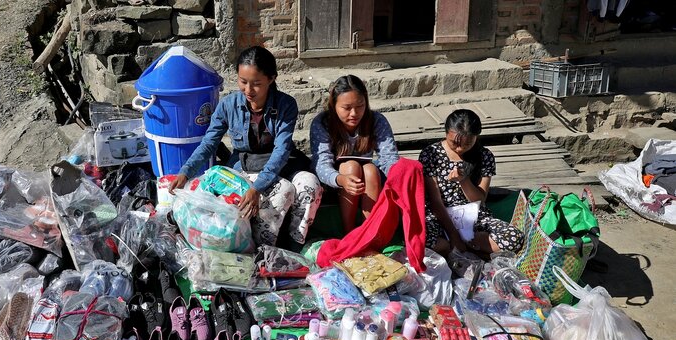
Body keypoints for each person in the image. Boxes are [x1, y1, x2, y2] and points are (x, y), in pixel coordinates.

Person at [168, 46, 322, 248]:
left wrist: (257, 187)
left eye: (256, 84)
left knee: (311, 184)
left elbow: (282, 150)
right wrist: (186, 172)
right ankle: (262, 248)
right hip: (246, 165)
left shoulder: (286, 105)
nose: (248, 90)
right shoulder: (228, 105)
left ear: (271, 78)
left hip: (282, 162)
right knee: (283, 191)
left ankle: (295, 244)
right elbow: (209, 142)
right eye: (243, 82)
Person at [419, 109, 524, 256]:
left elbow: (479, 199)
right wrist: (454, 234)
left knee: (514, 238)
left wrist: (464, 180)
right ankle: (463, 246)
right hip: (440, 216)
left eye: (467, 144)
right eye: (454, 143)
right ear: (446, 133)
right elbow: (435, 201)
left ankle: (460, 246)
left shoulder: (484, 156)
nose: (460, 148)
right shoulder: (431, 154)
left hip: (473, 216)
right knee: (421, 239)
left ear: (476, 137)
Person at [310, 75, 399, 233]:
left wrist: (397, 179)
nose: (354, 113)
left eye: (360, 106)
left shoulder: (376, 120)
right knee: (351, 167)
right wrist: (340, 179)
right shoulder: (322, 123)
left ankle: (368, 231)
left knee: (371, 170)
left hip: (367, 179)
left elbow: (390, 158)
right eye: (346, 108)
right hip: (334, 181)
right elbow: (321, 164)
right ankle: (349, 231)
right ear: (334, 105)